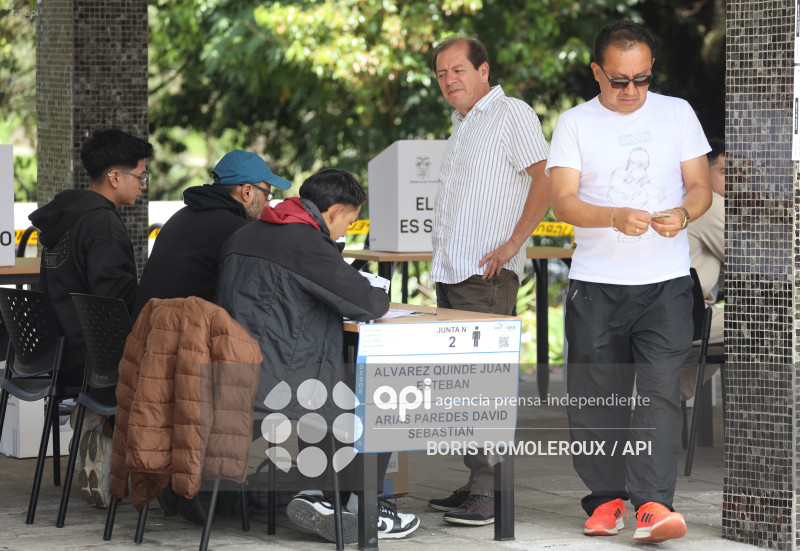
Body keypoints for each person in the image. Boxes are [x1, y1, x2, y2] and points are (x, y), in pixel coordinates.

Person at [547, 20, 712, 543]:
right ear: (597, 72)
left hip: (664, 284)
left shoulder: (677, 113)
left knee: (660, 394)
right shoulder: (574, 123)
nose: (631, 91)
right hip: (596, 284)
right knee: (597, 396)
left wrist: (684, 216)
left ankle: (653, 506)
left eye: (641, 79)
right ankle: (605, 500)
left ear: (651, 72)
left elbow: (700, 187)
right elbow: (564, 202)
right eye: (619, 80)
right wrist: (613, 216)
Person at [214, 168, 420, 542]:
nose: (347, 231)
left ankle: (319, 495)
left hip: (234, 368)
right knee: (381, 395)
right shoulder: (304, 243)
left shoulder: (248, 232)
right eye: (351, 221)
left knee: (331, 377)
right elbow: (367, 301)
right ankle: (361, 507)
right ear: (334, 211)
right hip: (277, 380)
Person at [426, 35, 551, 526]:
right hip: (455, 276)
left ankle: (491, 493)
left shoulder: (510, 113)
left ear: (484, 71)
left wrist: (512, 244)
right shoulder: (462, 125)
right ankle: (478, 480)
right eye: (441, 74)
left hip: (487, 276)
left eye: (457, 70)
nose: (449, 80)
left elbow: (545, 178)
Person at [29, 128, 153, 386]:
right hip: (92, 363)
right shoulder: (103, 225)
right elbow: (115, 305)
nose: (143, 185)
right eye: (141, 177)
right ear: (115, 177)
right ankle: (105, 422)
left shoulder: (66, 216)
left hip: (55, 354)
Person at [132, 149, 291, 318]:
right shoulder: (238, 231)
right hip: (177, 337)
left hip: (144, 332)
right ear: (247, 192)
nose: (268, 204)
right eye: (267, 195)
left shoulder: (180, 217)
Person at [681, 138, 725, 400]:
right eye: (724, 172)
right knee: (772, 326)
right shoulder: (711, 203)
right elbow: (761, 261)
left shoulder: (677, 198)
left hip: (660, 315)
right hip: (691, 320)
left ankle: (672, 391)